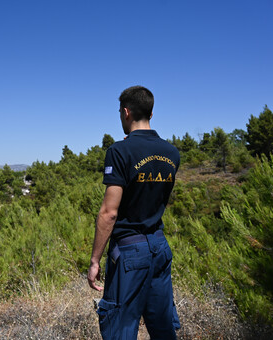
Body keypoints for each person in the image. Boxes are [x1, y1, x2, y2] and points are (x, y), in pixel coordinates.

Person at [87, 86, 180, 339]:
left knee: (120, 328)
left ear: (126, 112)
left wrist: (95, 260)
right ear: (150, 112)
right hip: (159, 247)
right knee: (163, 328)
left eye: (120, 112)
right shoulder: (172, 153)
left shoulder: (119, 151)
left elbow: (109, 212)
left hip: (130, 251)